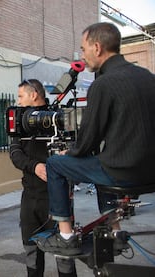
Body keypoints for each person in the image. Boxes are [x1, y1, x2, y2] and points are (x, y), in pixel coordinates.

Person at [36, 22, 155, 256]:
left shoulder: (102, 84)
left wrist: (68, 154)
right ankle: (114, 231)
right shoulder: (147, 77)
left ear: (97, 48)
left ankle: (66, 236)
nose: (83, 55)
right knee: (99, 160)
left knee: (56, 165)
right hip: (150, 172)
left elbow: (88, 140)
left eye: (83, 49)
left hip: (123, 172)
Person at [10, 79, 77, 277]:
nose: (18, 101)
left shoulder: (58, 118)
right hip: (30, 197)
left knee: (64, 255)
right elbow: (15, 153)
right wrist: (35, 166)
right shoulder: (20, 121)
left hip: (56, 197)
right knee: (31, 253)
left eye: (21, 96)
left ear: (34, 95)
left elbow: (74, 150)